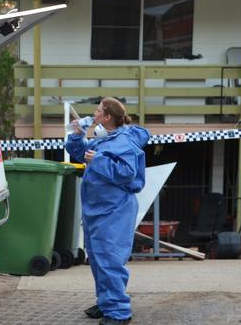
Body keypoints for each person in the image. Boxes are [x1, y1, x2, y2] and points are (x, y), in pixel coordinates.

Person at [65, 97, 150, 325]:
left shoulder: (124, 141)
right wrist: (75, 135)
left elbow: (127, 173)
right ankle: (106, 302)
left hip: (114, 211)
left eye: (98, 111)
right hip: (97, 209)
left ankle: (119, 312)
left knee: (109, 259)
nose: (94, 114)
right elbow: (81, 154)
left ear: (108, 117)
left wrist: (99, 160)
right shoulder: (106, 139)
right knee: (97, 259)